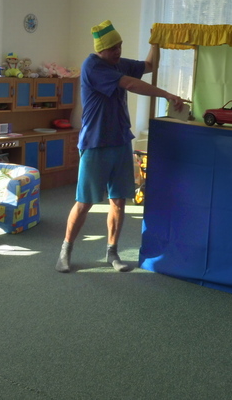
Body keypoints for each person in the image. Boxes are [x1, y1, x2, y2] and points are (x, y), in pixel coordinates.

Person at [56, 20, 185, 273]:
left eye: (120, 46)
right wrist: (167, 94)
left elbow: (150, 66)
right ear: (101, 50)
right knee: (84, 202)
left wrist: (155, 42)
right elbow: (131, 84)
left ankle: (112, 252)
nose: (118, 51)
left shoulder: (118, 63)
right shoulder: (93, 66)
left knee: (118, 201)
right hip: (95, 144)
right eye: (113, 48)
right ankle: (65, 250)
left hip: (120, 142)